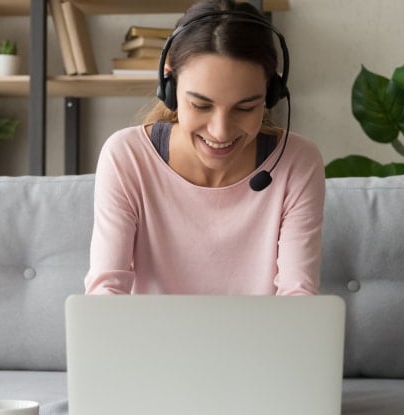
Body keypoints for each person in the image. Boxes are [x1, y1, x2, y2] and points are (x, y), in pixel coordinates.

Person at [84, 0, 325, 295]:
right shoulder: (127, 157)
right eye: (200, 105)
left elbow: (298, 298)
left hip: (261, 342)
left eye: (246, 108)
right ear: (169, 86)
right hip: (149, 342)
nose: (220, 131)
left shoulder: (297, 162)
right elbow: (105, 295)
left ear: (271, 93)